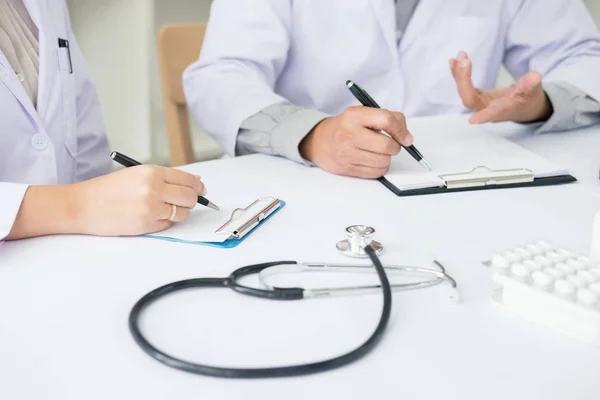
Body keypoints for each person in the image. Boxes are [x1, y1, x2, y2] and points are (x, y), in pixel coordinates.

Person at [184, 0, 600, 179]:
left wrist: (542, 104)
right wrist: (311, 135)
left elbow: (583, 57)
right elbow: (221, 75)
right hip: (302, 179)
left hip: (457, 178)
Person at [0, 0, 205, 241]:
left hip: (63, 250)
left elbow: (84, 137)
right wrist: (79, 205)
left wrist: (114, 199)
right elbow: (85, 201)